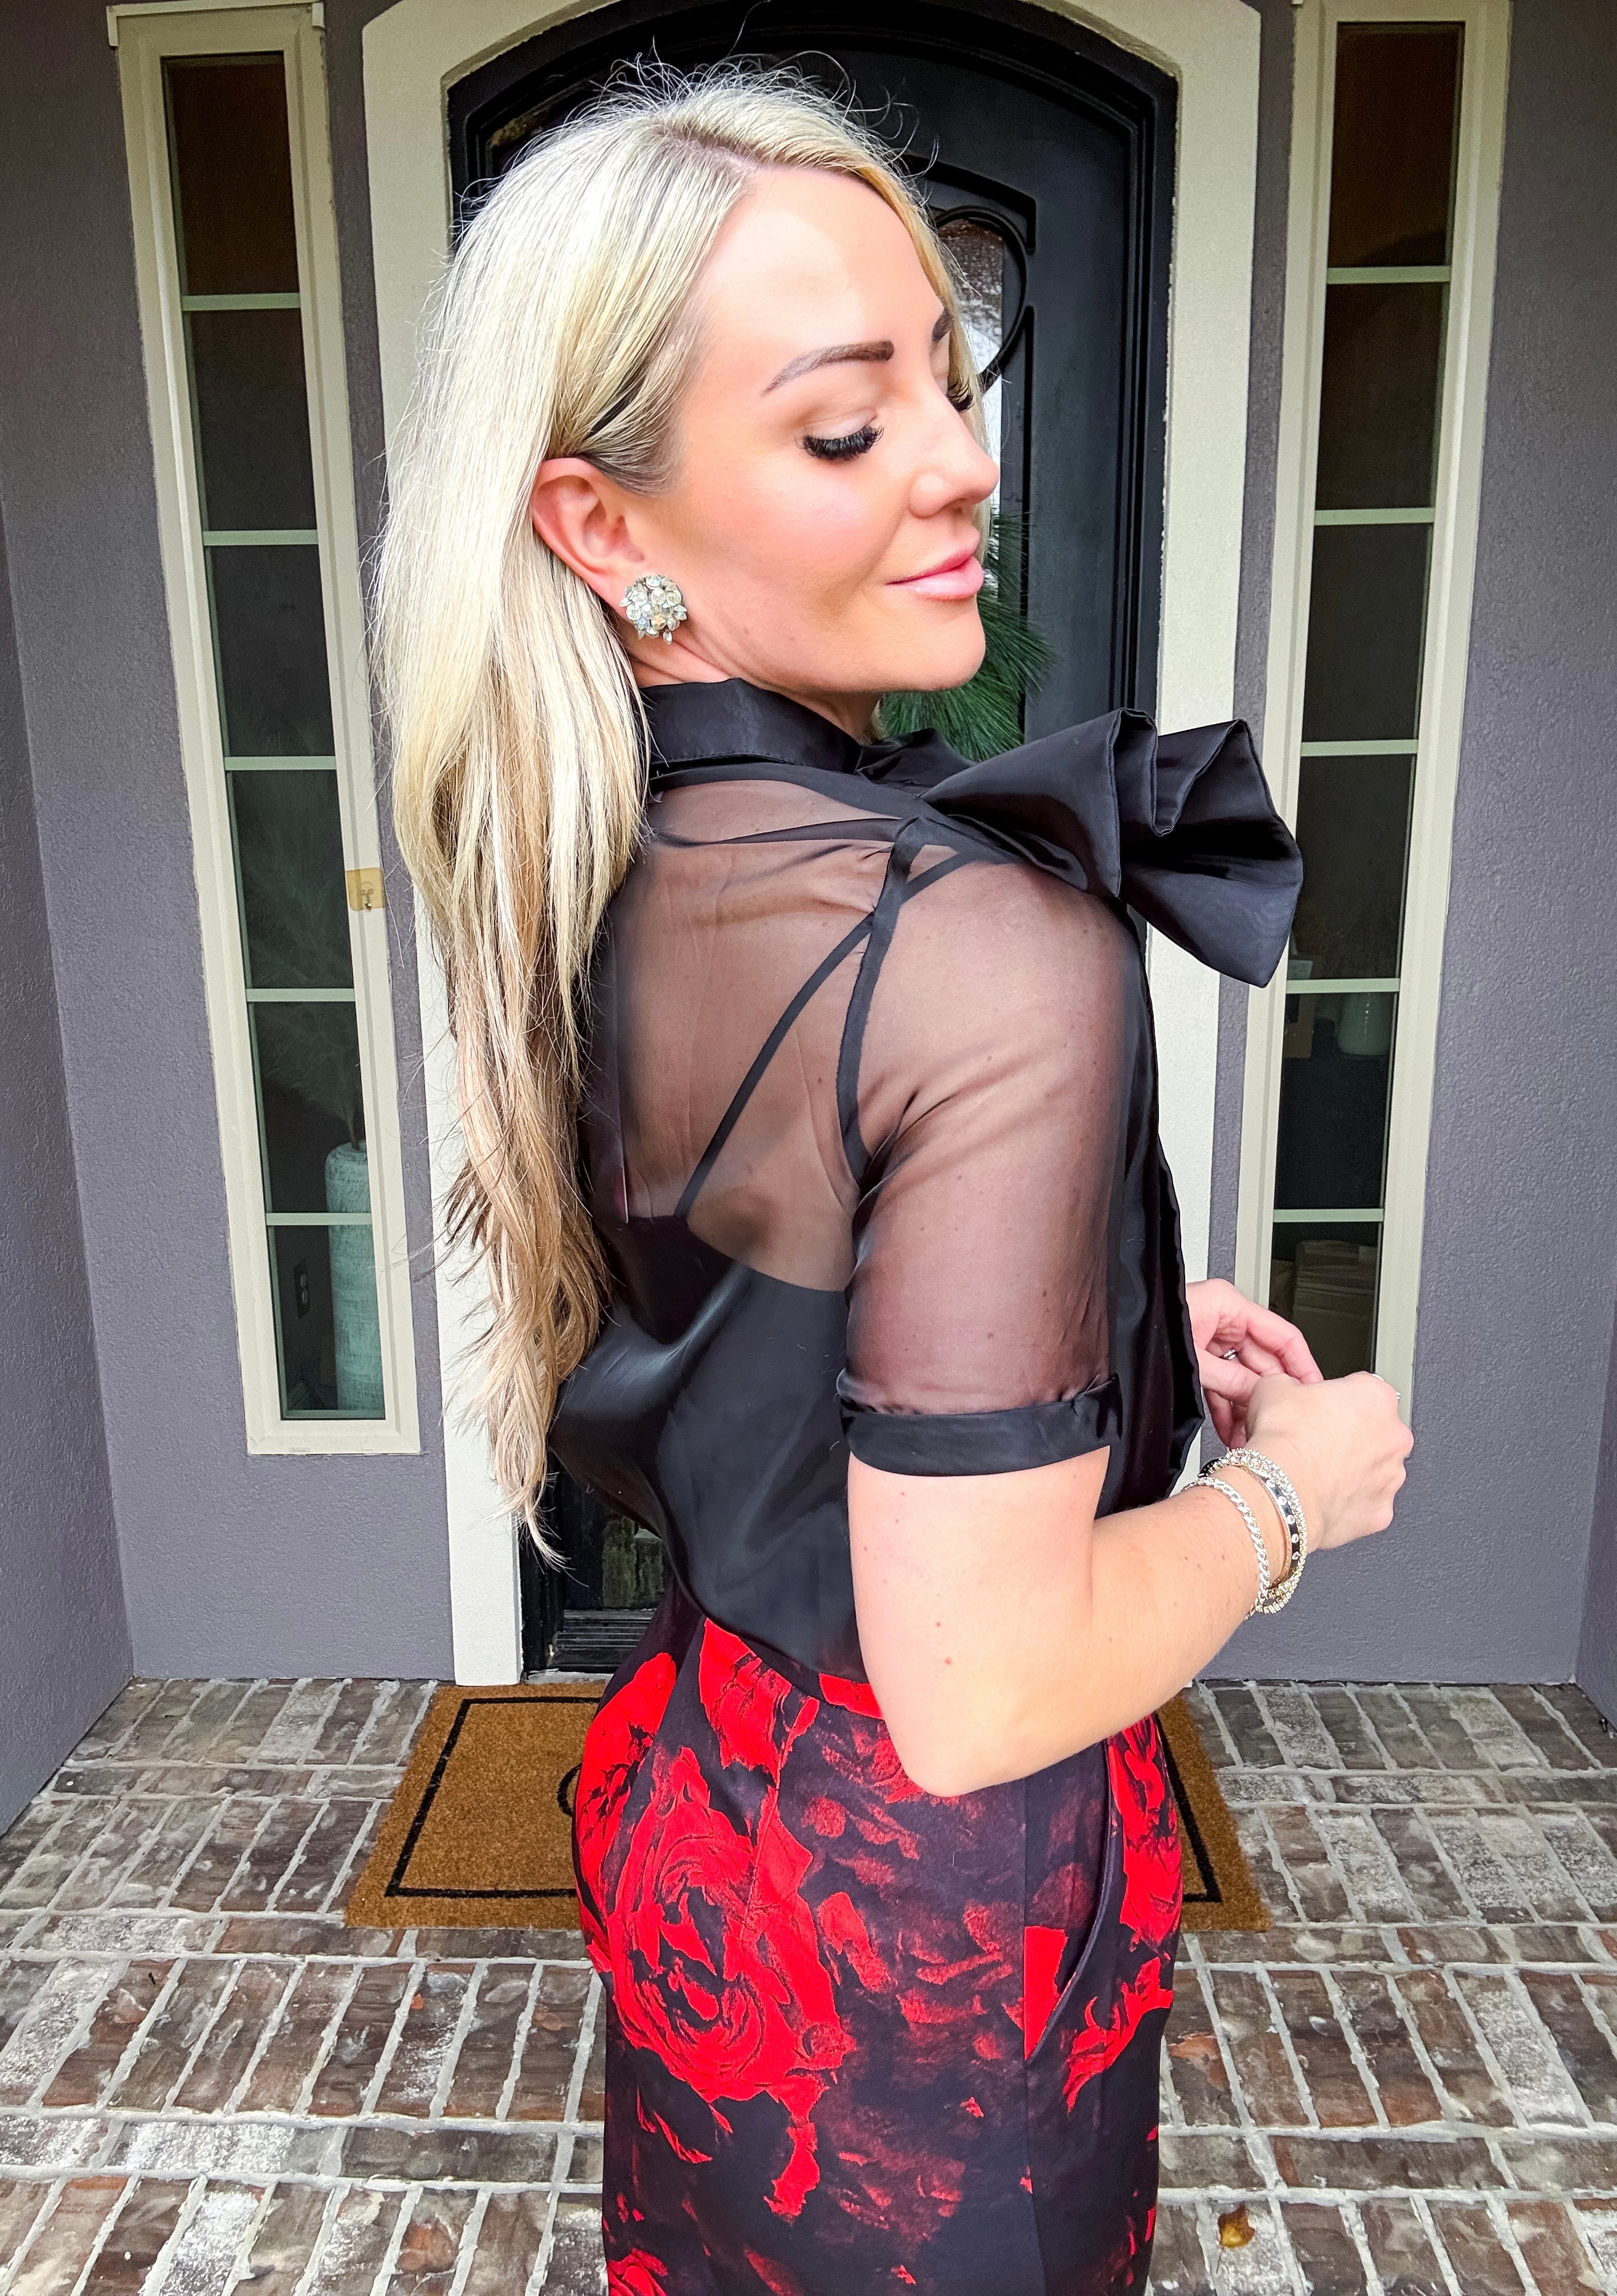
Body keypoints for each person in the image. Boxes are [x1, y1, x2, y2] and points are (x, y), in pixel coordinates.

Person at [381, 65, 1412, 2296]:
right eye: (850, 425)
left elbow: (762, 1271)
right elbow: (979, 1689)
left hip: (705, 1841)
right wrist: (1290, 1493)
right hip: (917, 1963)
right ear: (603, 527)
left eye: (951, 377)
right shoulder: (972, 950)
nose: (961, 459)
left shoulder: (582, 850)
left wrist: (1102, 1331)